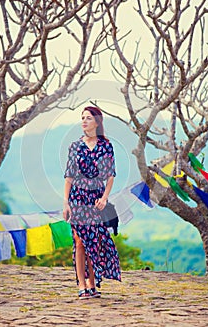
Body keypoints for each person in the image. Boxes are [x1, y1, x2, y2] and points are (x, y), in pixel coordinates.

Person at [63, 106, 121, 299]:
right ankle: (81, 284)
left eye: (88, 118)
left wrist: (104, 198)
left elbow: (110, 175)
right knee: (79, 242)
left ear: (97, 122)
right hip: (77, 198)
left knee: (93, 242)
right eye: (82, 118)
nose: (84, 121)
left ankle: (92, 282)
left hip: (95, 198)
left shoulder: (106, 146)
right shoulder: (75, 146)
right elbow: (69, 176)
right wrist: (66, 202)